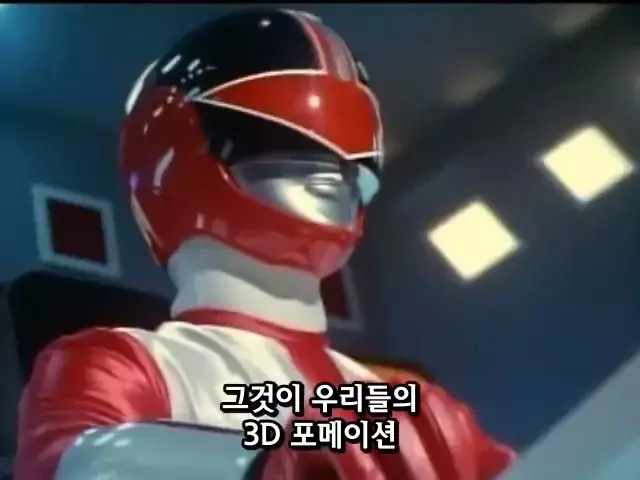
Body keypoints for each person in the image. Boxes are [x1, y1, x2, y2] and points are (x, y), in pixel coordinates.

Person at [15, 8, 515, 479]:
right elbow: (75, 463)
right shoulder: (120, 365)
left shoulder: (409, 402)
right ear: (180, 158)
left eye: (345, 167)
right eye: (289, 153)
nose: (331, 181)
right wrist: (270, 466)